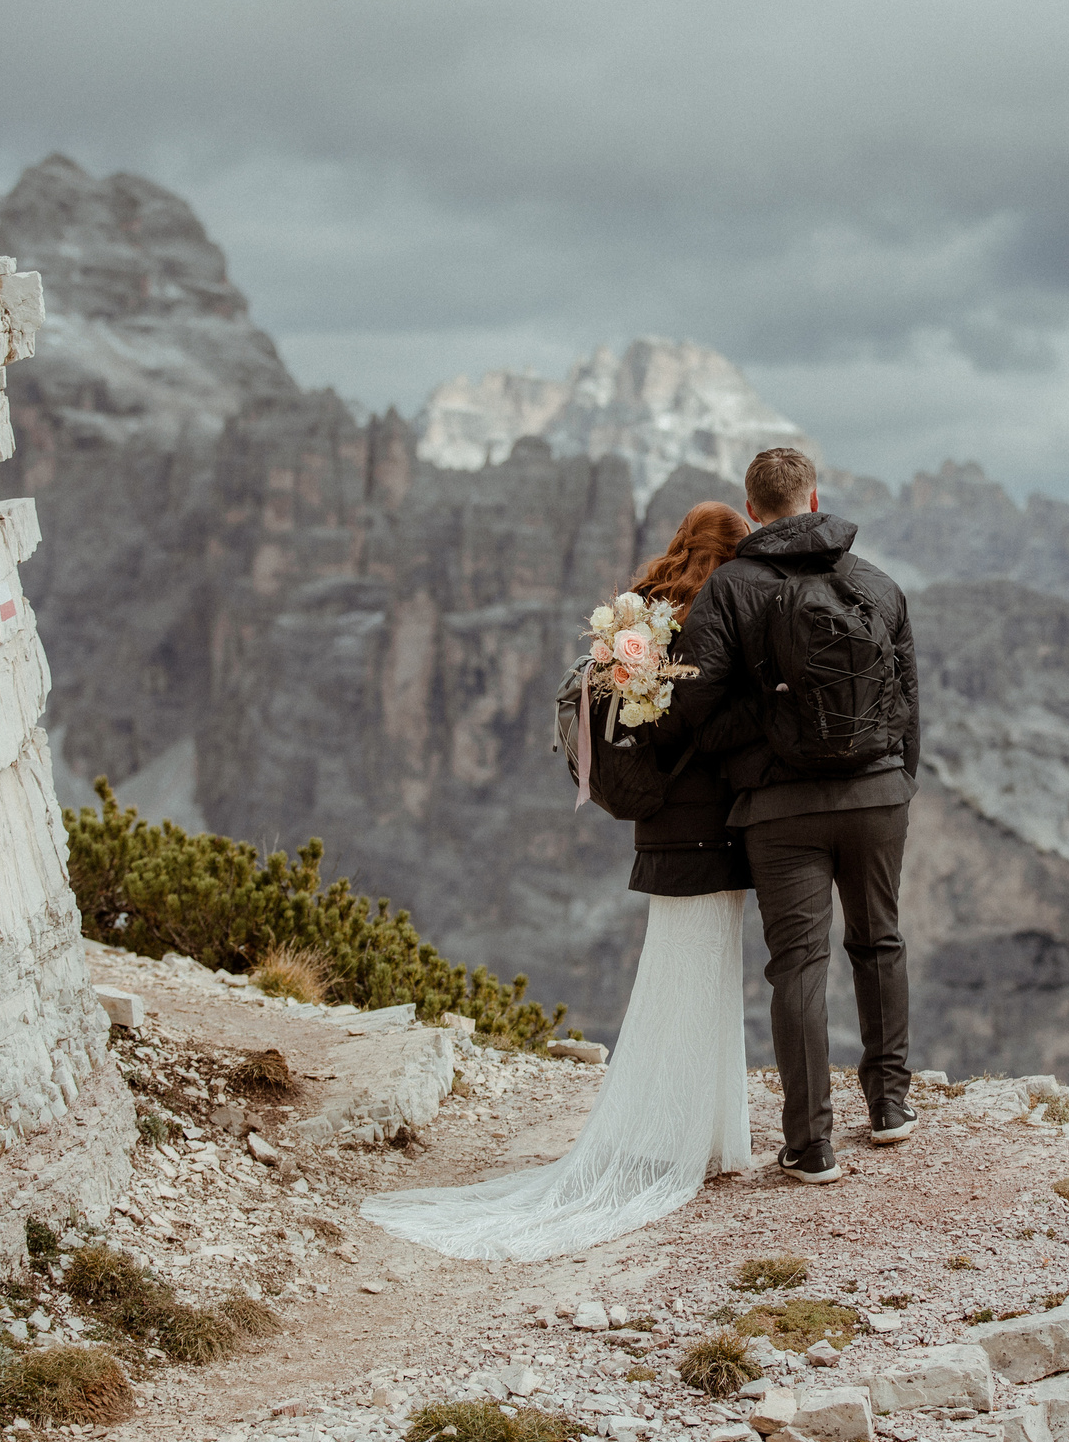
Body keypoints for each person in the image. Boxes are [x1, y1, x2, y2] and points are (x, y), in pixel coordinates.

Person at [358, 502, 761, 1259]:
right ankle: (688, 1144)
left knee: (682, 971)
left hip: (664, 828)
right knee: (705, 974)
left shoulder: (645, 618)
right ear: (733, 557)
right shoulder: (714, 623)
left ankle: (695, 1135)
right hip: (710, 825)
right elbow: (700, 726)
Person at [649, 447, 919, 1185]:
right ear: (813, 498)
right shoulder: (877, 582)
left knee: (799, 965)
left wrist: (766, 727)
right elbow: (908, 703)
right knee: (880, 940)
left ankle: (811, 1144)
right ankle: (891, 1107)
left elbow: (694, 705)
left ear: (754, 510)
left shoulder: (733, 587)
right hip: (877, 795)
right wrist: (895, 785)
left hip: (779, 809)